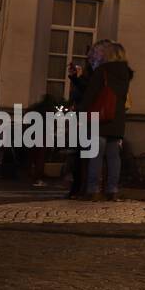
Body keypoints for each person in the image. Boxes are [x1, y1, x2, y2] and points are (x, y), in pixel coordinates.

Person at [78, 40, 133, 202]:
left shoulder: (102, 71)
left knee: (96, 156)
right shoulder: (126, 74)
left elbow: (91, 94)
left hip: (99, 119)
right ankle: (112, 190)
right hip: (117, 120)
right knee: (113, 157)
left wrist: (81, 112)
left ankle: (93, 190)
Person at [64, 61, 89, 198]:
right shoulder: (78, 85)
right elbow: (74, 100)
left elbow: (82, 94)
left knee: (80, 157)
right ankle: (75, 187)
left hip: (83, 122)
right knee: (75, 156)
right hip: (77, 121)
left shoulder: (84, 83)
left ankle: (78, 187)